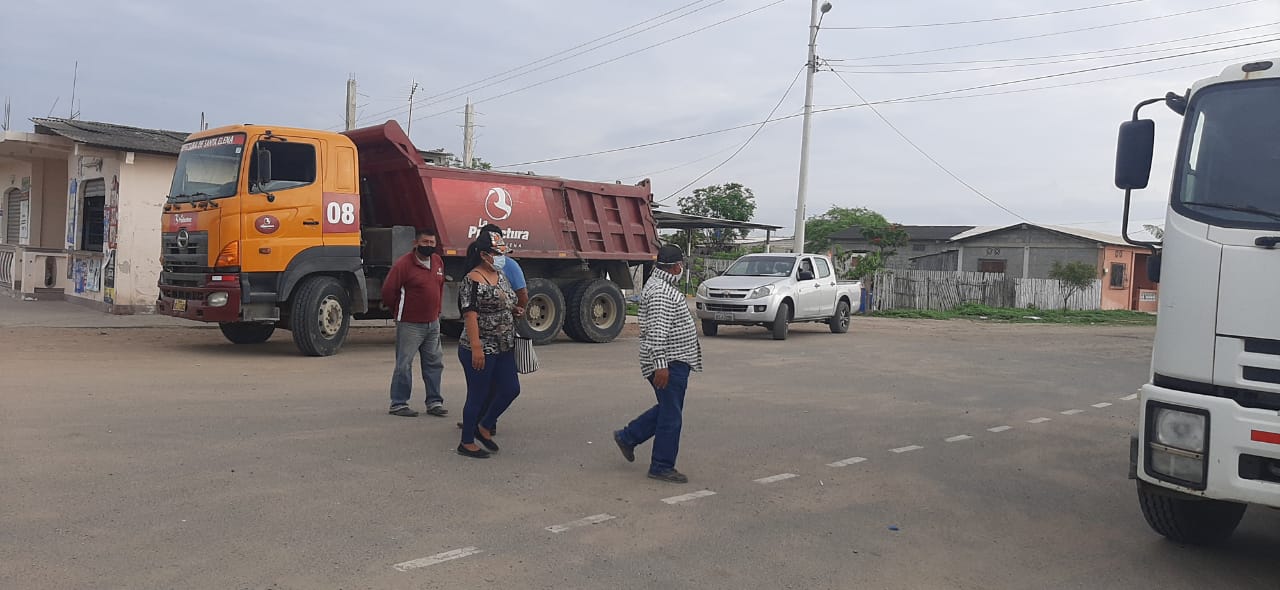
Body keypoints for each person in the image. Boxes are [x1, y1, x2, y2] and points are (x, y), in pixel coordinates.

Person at [613, 245, 703, 483]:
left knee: (668, 409)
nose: (681, 268)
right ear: (675, 267)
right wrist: (660, 365)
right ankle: (661, 466)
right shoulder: (662, 292)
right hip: (669, 363)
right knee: (671, 416)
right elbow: (656, 333)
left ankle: (628, 437)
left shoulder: (662, 285)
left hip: (673, 360)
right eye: (681, 265)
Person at [456, 231, 521, 459]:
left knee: (511, 388)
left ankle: (485, 425)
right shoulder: (472, 279)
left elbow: (507, 300)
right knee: (478, 394)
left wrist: (514, 309)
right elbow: (470, 314)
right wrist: (476, 347)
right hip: (481, 347)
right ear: (484, 255)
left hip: (504, 345)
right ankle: (466, 442)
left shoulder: (500, 275)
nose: (502, 258)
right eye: (498, 254)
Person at [382, 229, 448, 418]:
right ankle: (398, 404)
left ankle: (434, 402)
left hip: (432, 323)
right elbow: (388, 291)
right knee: (404, 364)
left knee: (434, 363)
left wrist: (437, 311)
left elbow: (440, 286)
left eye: (432, 242)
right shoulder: (403, 264)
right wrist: (399, 311)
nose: (429, 246)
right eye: (425, 242)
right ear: (415, 243)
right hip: (410, 324)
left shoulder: (437, 261)